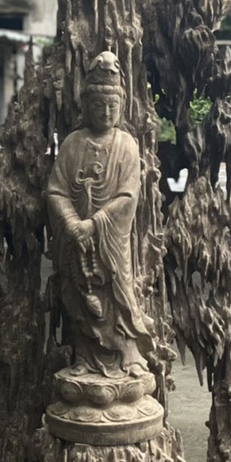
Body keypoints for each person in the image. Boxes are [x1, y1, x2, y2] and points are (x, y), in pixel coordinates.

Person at [47, 51, 154, 378]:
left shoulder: (126, 145)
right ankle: (85, 356)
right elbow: (56, 191)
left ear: (122, 106)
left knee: (117, 294)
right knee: (81, 294)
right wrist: (71, 224)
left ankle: (128, 355)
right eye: (98, 105)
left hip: (111, 241)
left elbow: (128, 195)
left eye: (113, 106)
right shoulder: (72, 144)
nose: (106, 112)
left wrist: (94, 224)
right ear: (85, 105)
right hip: (77, 239)